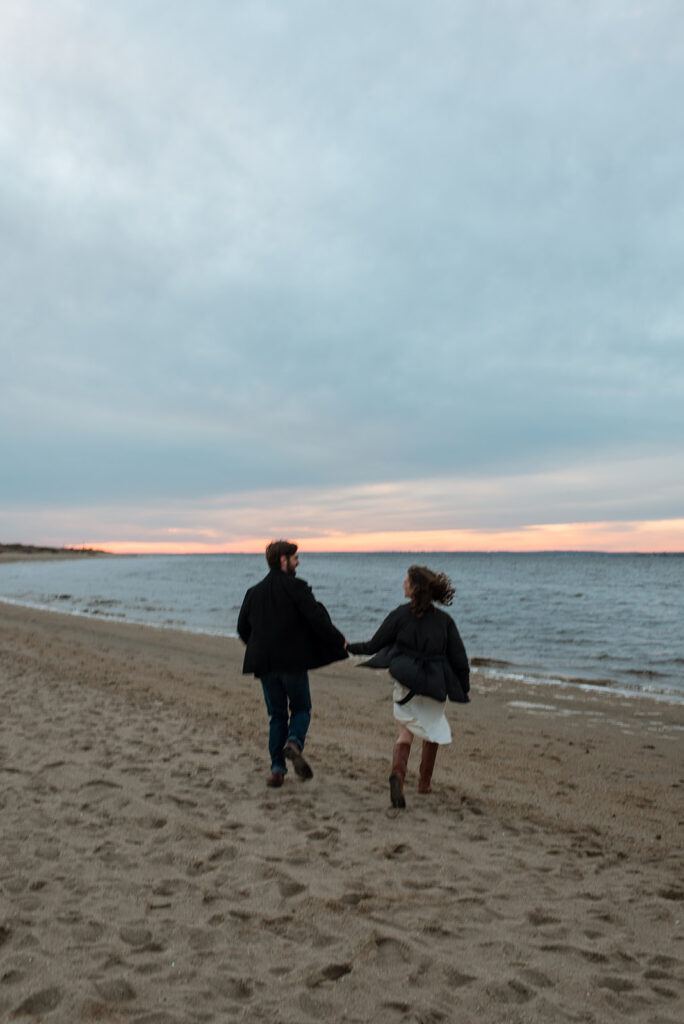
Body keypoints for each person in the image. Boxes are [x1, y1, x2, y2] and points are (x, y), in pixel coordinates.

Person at [347, 565, 469, 809]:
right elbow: (459, 657)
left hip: (407, 680)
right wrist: (463, 686)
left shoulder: (400, 615)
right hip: (434, 683)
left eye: (406, 581)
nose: (403, 584)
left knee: (406, 732)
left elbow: (374, 645)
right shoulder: (444, 621)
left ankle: (398, 776)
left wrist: (349, 647)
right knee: (432, 730)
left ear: (414, 588)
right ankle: (424, 784)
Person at [237, 540, 347, 788]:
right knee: (301, 709)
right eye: (295, 558)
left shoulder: (253, 592)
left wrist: (260, 647)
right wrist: (339, 640)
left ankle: (277, 771)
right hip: (292, 663)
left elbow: (242, 628)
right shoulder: (297, 588)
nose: (299, 562)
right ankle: (294, 743)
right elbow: (317, 619)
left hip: (265, 665)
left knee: (276, 717)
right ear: (283, 560)